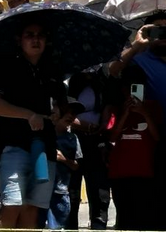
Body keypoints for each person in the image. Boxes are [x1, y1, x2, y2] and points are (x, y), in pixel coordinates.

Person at [108, 11, 166, 230]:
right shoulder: (138, 61)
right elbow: (113, 70)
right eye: (157, 29)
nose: (163, 33)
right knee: (151, 205)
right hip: (152, 143)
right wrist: (137, 45)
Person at [0, 20, 70, 229]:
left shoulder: (52, 70)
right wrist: (28, 115)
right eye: (29, 35)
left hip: (46, 148)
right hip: (14, 147)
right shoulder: (5, 66)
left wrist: (58, 112)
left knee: (33, 209)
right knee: (12, 206)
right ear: (19, 40)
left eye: (40, 35)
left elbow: (61, 104)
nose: (35, 39)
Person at [108, 66, 160, 231]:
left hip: (144, 172)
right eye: (128, 87)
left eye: (136, 87)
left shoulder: (153, 107)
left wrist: (144, 113)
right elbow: (112, 137)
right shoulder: (116, 109)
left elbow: (157, 137)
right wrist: (124, 114)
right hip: (120, 172)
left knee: (143, 219)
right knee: (124, 218)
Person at [66, 69, 111, 231]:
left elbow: (108, 106)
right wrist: (87, 126)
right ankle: (70, 226)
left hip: (97, 140)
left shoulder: (102, 83)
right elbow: (65, 114)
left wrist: (102, 125)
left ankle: (99, 225)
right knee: (72, 191)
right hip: (75, 139)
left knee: (99, 190)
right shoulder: (71, 84)